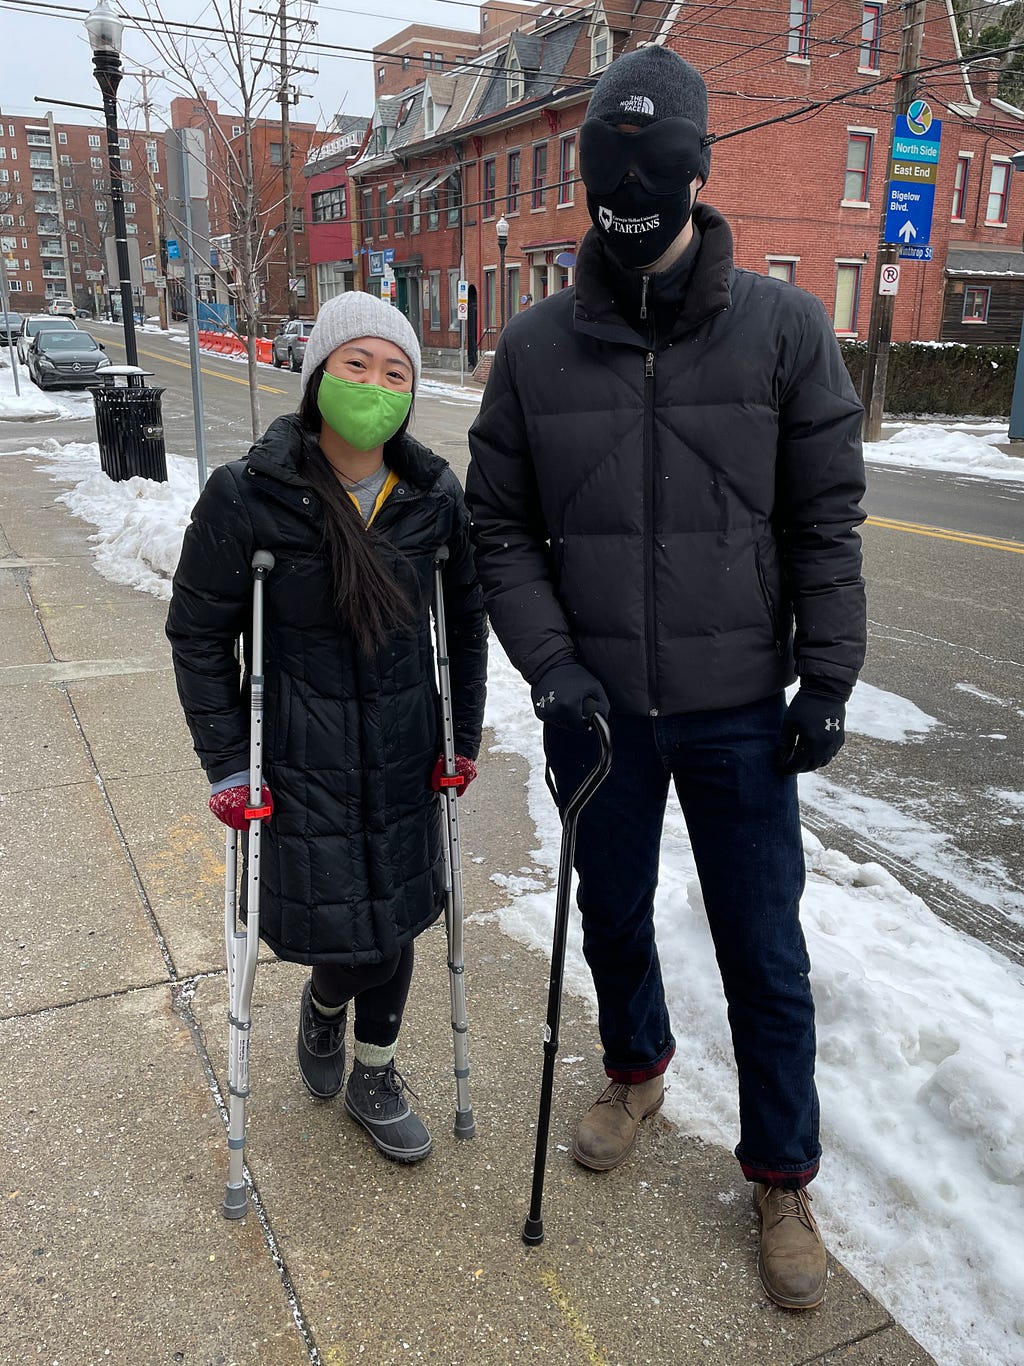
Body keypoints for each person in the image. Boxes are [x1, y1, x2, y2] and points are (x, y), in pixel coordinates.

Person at [465, 46, 865, 1309]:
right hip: (601, 713)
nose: (629, 189)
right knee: (613, 913)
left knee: (764, 949)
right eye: (606, 167)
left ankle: (782, 1172)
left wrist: (829, 677)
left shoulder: (788, 329)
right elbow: (497, 529)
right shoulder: (533, 349)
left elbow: (824, 522)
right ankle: (635, 1066)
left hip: (742, 706)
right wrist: (551, 664)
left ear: (699, 171)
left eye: (654, 165)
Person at [167, 291, 487, 1165]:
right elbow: (198, 635)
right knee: (346, 938)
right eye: (358, 365)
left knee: (401, 924)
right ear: (317, 378)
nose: (377, 385)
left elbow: (465, 621)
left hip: (403, 755)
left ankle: (374, 1073)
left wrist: (464, 739)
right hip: (301, 765)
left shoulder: (430, 499)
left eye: (397, 372)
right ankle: (323, 1005)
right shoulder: (248, 497)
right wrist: (231, 765)